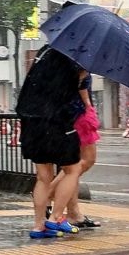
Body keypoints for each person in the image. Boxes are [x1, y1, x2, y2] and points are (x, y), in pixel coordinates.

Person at [16, 44, 84, 239]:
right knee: (73, 169)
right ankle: (54, 218)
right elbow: (66, 93)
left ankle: (38, 226)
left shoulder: (44, 51)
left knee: (43, 176)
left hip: (32, 121)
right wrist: (80, 76)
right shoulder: (73, 57)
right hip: (57, 122)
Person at [46, 71, 101, 228]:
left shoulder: (64, 60)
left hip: (67, 115)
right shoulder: (79, 62)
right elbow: (80, 89)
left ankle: (73, 212)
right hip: (79, 115)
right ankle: (49, 192)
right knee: (85, 161)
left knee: (74, 163)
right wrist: (89, 106)